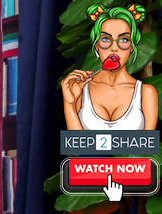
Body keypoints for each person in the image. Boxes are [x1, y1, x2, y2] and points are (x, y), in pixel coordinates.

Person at [63, 3, 157, 131]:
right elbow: (75, 142)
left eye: (123, 40)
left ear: (132, 46)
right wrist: (69, 103)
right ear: (96, 45)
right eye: (106, 39)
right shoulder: (81, 90)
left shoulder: (146, 93)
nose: (114, 48)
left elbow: (147, 142)